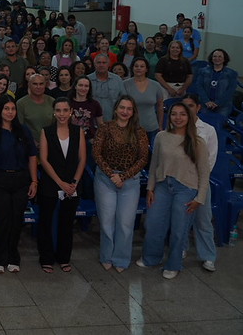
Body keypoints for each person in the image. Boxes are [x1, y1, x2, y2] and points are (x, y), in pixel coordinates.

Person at [137, 102, 209, 279]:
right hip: (162, 185)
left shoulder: (198, 142)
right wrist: (150, 188)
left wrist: (199, 198)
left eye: (182, 114)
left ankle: (174, 264)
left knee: (179, 229)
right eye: (174, 114)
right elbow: (154, 164)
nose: (178, 118)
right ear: (169, 117)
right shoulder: (161, 136)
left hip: (186, 189)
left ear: (189, 117)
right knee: (153, 224)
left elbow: (204, 172)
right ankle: (151, 258)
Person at [0, 96, 37, 273]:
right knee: (0, 220)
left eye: (12, 109)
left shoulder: (24, 131)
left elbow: (32, 157)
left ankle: (13, 257)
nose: (10, 112)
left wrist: (34, 181)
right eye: (6, 109)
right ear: (0, 111)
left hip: (20, 180)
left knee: (16, 220)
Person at [93, 96, 149, 272]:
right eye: (122, 107)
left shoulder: (139, 131)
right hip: (105, 180)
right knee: (106, 222)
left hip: (130, 181)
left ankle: (121, 258)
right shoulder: (105, 128)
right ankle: (106, 256)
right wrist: (112, 175)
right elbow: (96, 154)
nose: (125, 111)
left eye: (129, 109)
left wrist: (123, 177)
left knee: (125, 223)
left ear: (133, 112)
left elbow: (143, 158)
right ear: (116, 109)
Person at [37, 98, 86, 273]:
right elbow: (44, 160)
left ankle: (64, 258)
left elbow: (82, 159)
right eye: (58, 110)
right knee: (46, 222)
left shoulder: (78, 131)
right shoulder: (47, 131)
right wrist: (60, 183)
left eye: (65, 110)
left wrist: (74, 183)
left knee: (67, 223)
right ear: (54, 112)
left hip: (72, 185)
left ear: (71, 112)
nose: (62, 114)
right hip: (51, 183)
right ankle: (46, 258)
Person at [181, 94, 219, 272]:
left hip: (201, 181)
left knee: (203, 220)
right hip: (182, 180)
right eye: (184, 106)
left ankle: (208, 256)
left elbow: (210, 159)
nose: (187, 109)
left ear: (198, 108)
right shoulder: (176, 128)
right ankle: (181, 248)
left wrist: (198, 179)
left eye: (190, 105)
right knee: (182, 219)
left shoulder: (208, 130)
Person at [123, 57, 165, 144]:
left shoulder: (156, 85)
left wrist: (160, 126)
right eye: (136, 66)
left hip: (152, 127)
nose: (139, 68)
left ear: (146, 69)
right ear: (132, 68)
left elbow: (160, 106)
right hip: (131, 127)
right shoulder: (125, 84)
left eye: (142, 66)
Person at [195, 48, 238, 118]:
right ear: (211, 58)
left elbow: (230, 91)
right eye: (214, 56)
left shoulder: (232, 74)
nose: (217, 58)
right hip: (205, 104)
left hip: (223, 106)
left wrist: (218, 103)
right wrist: (207, 101)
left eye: (220, 56)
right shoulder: (203, 71)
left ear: (224, 59)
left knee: (219, 123)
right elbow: (199, 86)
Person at [16, 73, 54, 140]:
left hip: (50, 141)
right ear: (29, 85)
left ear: (45, 85)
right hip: (29, 142)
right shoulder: (20, 104)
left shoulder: (52, 102)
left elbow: (56, 125)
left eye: (41, 84)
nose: (38, 87)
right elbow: (19, 127)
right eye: (35, 84)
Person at [88, 54, 124, 118]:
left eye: (104, 63)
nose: (101, 65)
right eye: (98, 62)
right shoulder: (87, 80)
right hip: (91, 119)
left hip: (113, 119)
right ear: (94, 64)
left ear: (109, 64)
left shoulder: (117, 80)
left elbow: (123, 99)